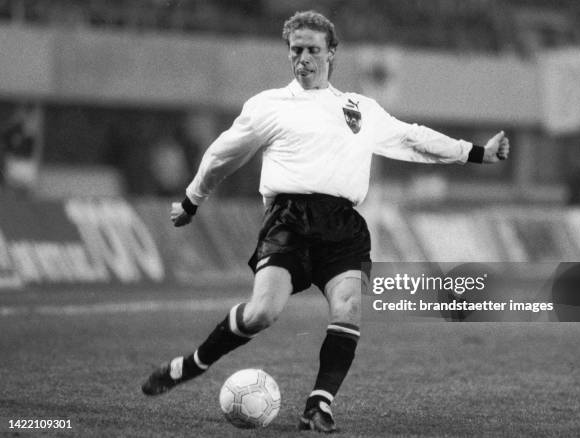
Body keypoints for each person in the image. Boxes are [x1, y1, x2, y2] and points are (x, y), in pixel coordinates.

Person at [141, 10, 510, 433]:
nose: (303, 58)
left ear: (331, 53)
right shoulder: (268, 106)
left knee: (349, 308)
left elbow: (413, 138)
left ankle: (319, 404)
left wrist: (477, 152)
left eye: (313, 50)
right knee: (262, 313)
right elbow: (222, 155)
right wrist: (191, 201)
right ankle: (190, 365)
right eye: (296, 50)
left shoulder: (359, 108)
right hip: (289, 221)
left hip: (343, 226)